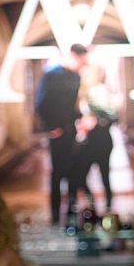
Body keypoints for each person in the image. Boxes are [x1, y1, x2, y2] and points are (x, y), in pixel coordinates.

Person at [34, 43, 89, 226]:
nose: (82, 64)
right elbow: (41, 103)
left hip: (71, 130)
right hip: (57, 133)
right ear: (73, 56)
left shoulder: (76, 76)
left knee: (73, 172)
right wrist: (51, 127)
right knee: (57, 174)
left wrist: (81, 118)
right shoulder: (51, 75)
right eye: (81, 60)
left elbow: (72, 106)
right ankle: (56, 215)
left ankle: (71, 213)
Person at [72, 65, 119, 214]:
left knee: (99, 173)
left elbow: (113, 115)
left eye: (87, 74)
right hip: (91, 139)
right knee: (84, 174)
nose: (84, 76)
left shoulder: (99, 90)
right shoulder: (85, 91)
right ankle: (98, 205)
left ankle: (106, 208)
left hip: (100, 139)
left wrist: (96, 120)